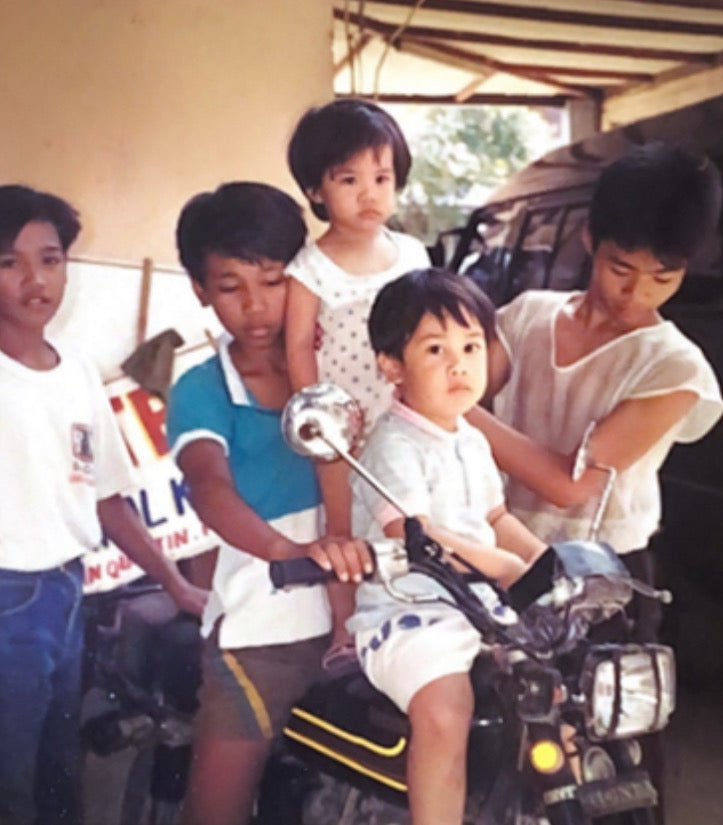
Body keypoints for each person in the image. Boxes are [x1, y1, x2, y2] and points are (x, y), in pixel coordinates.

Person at [0, 184, 207, 825]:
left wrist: (175, 584)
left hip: (66, 597)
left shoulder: (76, 369)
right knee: (1, 793)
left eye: (50, 259)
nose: (35, 279)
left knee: (57, 782)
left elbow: (106, 499)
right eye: (10, 262)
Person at [467, 141, 723, 821]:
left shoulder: (674, 366)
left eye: (663, 277)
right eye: (620, 267)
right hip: (499, 561)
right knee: (503, 753)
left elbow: (571, 484)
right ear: (589, 239)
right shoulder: (523, 317)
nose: (635, 293)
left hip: (605, 581)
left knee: (615, 772)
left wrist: (459, 411)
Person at [166, 182, 373, 825]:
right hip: (258, 638)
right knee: (217, 812)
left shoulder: (338, 367)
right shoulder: (202, 389)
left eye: (274, 281)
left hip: (359, 625)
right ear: (201, 290)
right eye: (230, 287)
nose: (255, 307)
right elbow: (211, 489)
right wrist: (289, 551)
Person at [349, 267, 546, 825]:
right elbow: (416, 535)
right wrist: (505, 567)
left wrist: (551, 567)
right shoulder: (394, 442)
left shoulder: (472, 438)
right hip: (412, 613)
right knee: (446, 710)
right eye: (435, 349)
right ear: (392, 365)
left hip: (483, 609)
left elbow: (496, 517)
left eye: (470, 345)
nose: (459, 363)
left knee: (565, 694)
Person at [283, 99, 432, 667]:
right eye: (348, 180)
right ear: (317, 191)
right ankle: (345, 632)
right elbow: (298, 344)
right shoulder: (310, 266)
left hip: (405, 417)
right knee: (342, 527)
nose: (369, 194)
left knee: (407, 516)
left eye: (381, 177)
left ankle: (408, 616)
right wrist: (320, 420)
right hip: (340, 428)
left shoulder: (412, 255)